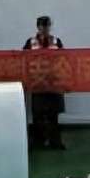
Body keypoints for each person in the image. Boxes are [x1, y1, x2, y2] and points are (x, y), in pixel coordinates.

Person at [23, 15, 66, 150]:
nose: (44, 28)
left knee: (53, 114)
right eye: (42, 26)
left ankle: (55, 141)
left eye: (47, 26)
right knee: (38, 114)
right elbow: (23, 60)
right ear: (38, 27)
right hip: (37, 83)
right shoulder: (30, 42)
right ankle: (38, 141)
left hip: (53, 83)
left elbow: (64, 59)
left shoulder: (56, 41)